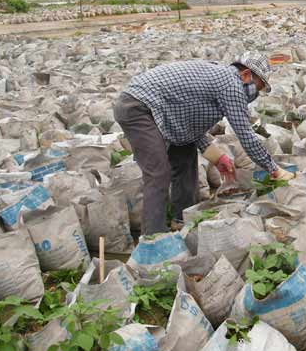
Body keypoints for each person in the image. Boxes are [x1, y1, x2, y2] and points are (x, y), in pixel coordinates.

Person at [114, 52, 294, 234]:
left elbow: (190, 126)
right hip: (137, 107)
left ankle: (183, 220)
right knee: (158, 173)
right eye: (259, 87)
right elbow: (246, 134)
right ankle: (153, 239)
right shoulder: (231, 85)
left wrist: (218, 158)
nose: (256, 93)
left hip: (163, 111)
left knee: (185, 152)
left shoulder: (220, 77)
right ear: (246, 75)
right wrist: (274, 169)